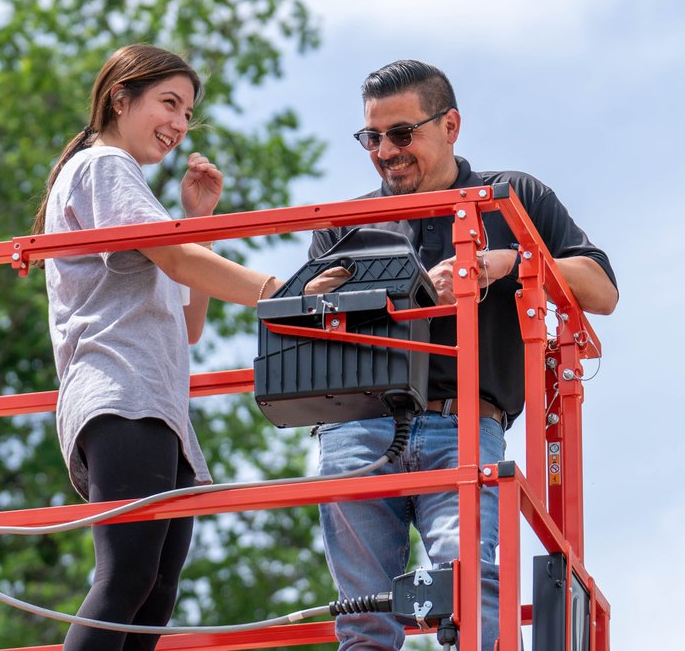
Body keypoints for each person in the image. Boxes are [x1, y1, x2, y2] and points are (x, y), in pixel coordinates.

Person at [307, 60, 618, 651]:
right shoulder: (344, 225)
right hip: (356, 428)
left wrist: (507, 262)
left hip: (465, 422)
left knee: (471, 592)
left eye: (402, 134)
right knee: (362, 620)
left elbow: (601, 289)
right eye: (371, 137)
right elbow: (304, 328)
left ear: (450, 124)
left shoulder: (512, 199)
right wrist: (318, 298)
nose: (385, 152)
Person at [31, 44, 282, 650]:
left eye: (188, 113)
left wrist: (197, 219)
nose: (179, 124)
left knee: (154, 595)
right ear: (121, 98)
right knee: (128, 578)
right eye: (168, 103)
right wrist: (283, 291)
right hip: (121, 389)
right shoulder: (105, 166)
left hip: (155, 401)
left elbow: (188, 322)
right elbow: (174, 258)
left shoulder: (129, 192)